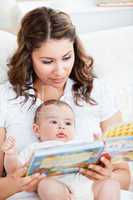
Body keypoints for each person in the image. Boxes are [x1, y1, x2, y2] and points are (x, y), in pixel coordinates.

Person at [0, 6, 130, 199]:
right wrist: (16, 183)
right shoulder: (6, 98)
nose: (60, 70)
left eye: (67, 58)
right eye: (47, 61)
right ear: (29, 57)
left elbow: (125, 176)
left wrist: (107, 174)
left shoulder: (98, 91)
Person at [2, 99, 120, 200]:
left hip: (86, 187)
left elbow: (98, 164)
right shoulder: (34, 148)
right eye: (54, 122)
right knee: (46, 185)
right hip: (57, 187)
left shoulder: (80, 144)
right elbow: (15, 172)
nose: (61, 126)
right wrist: (11, 155)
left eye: (68, 123)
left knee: (111, 184)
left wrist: (99, 149)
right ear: (37, 130)